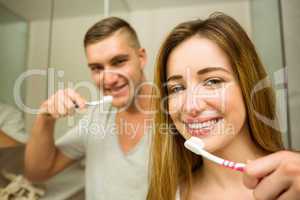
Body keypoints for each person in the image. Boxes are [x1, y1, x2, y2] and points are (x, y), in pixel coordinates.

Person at [147, 13, 300, 200]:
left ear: (248, 87)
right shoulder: (166, 195)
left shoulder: (295, 180)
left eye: (212, 81)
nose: (191, 106)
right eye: (177, 88)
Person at [25, 17, 153, 199]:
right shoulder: (96, 117)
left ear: (141, 58)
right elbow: (37, 172)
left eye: (119, 62)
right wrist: (45, 118)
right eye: (97, 68)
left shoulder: (177, 115)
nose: (108, 80)